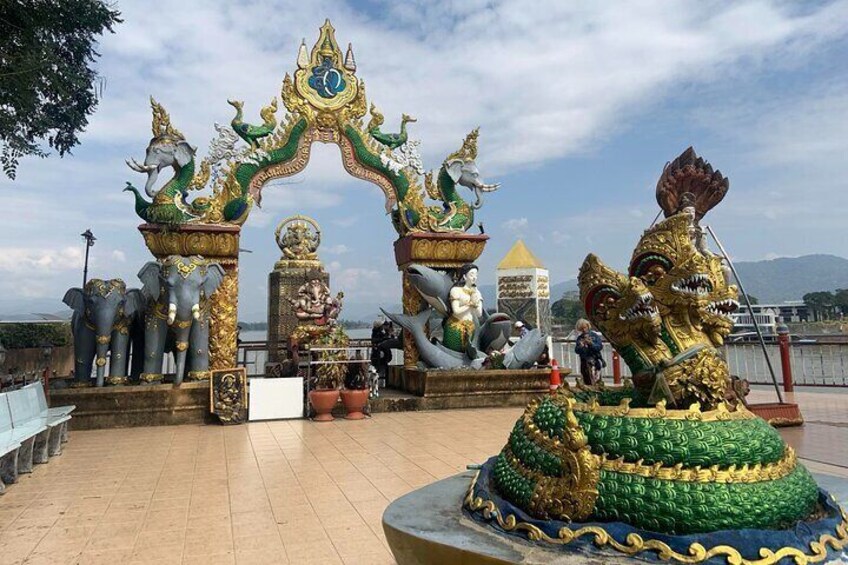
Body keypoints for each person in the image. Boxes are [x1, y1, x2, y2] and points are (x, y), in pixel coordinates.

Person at [444, 264, 483, 352]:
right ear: (464, 276)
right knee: (452, 352)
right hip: (455, 328)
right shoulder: (456, 290)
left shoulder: (477, 293)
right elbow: (456, 311)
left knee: (465, 352)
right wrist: (470, 304)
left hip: (470, 328)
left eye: (476, 275)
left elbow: (479, 314)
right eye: (471, 275)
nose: (474, 277)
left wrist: (475, 304)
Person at [574, 318, 604, 385]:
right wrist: (581, 346)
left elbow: (599, 347)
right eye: (581, 329)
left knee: (597, 382)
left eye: (585, 327)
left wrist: (591, 344)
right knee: (587, 381)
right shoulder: (580, 338)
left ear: (588, 326)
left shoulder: (594, 336)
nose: (584, 330)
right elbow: (576, 350)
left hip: (595, 360)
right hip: (584, 362)